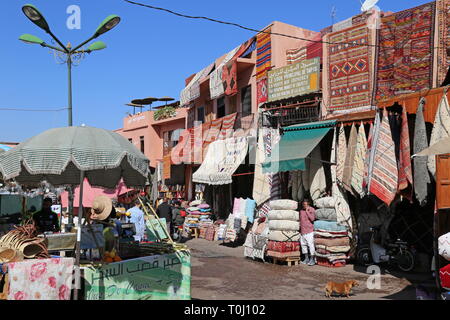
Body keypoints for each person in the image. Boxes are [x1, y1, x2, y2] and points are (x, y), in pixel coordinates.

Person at [299, 199, 316, 266]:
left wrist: (307, 211)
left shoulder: (312, 210)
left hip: (309, 231)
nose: (304, 206)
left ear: (308, 204)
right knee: (303, 245)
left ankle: (312, 259)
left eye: (306, 204)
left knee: (311, 245)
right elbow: (301, 221)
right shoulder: (301, 211)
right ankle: (306, 259)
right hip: (303, 231)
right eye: (303, 205)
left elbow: (312, 219)